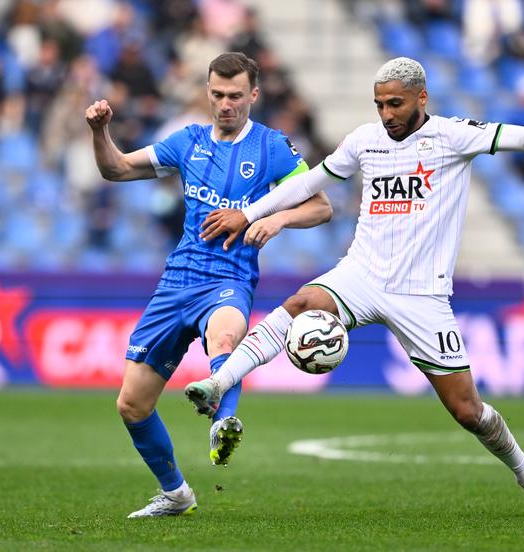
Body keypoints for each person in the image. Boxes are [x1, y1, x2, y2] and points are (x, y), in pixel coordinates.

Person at [185, 56, 524, 518]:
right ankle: (219, 382)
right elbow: (311, 183)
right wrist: (250, 213)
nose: (386, 114)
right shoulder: (365, 141)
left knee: (468, 411)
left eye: (396, 104)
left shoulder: (452, 136)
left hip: (421, 295)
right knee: (302, 302)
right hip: (361, 274)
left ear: (422, 97)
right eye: (379, 105)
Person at [86, 52, 332, 517]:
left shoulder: (272, 147)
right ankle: (176, 494)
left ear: (253, 94)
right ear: (208, 93)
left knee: (225, 337)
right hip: (176, 281)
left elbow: (321, 207)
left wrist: (276, 219)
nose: (226, 104)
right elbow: (115, 168)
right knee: (131, 405)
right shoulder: (188, 141)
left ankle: (223, 423)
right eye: (218, 94)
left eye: (235, 95)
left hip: (229, 277)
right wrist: (100, 132)